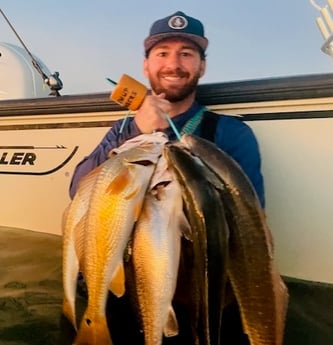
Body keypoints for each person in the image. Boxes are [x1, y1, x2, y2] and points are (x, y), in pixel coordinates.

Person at [69, 10, 265, 345]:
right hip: (130, 289)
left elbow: (250, 222)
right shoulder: (122, 131)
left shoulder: (231, 133)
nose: (173, 64)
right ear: (146, 66)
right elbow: (78, 189)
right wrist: (136, 130)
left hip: (202, 298)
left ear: (201, 66)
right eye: (162, 54)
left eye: (186, 54)